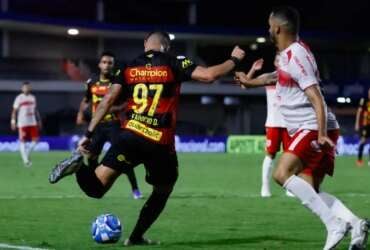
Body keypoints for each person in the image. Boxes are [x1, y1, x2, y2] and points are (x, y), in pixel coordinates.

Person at [49, 31, 245, 245]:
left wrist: (87, 134)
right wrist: (234, 59)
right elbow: (209, 76)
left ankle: (79, 168)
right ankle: (135, 237)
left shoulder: (128, 66)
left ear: (145, 44)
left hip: (130, 136)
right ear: (167, 46)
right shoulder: (174, 61)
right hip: (160, 144)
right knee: (162, 190)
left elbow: (106, 101)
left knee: (96, 189)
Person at [235, 7, 369, 250]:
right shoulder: (290, 54)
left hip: (312, 126)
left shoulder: (296, 55)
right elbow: (275, 77)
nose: (268, 30)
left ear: (278, 28)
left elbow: (316, 96)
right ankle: (355, 223)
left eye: (269, 25)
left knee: (281, 174)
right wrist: (250, 81)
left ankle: (334, 225)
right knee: (309, 190)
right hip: (311, 127)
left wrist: (320, 134)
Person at [71, 51, 142, 199]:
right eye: (104, 62)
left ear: (113, 65)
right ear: (99, 64)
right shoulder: (92, 82)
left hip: (113, 125)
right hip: (97, 127)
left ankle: (135, 189)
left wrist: (112, 108)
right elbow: (86, 99)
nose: (107, 65)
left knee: (122, 157)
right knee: (90, 157)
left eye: (110, 63)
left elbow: (126, 102)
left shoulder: (117, 82)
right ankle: (94, 183)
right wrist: (80, 113)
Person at [243, 58, 291, 197]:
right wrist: (253, 69)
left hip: (290, 123)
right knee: (270, 155)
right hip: (273, 123)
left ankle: (290, 188)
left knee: (291, 156)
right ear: (275, 62)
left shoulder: (293, 77)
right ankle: (265, 188)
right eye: (278, 59)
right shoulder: (267, 77)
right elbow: (245, 85)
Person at [11, 82, 42, 167]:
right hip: (22, 123)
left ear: (30, 88)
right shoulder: (19, 98)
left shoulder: (33, 98)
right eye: (25, 87)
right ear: (22, 89)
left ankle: (27, 153)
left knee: (35, 141)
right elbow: (14, 111)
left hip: (32, 122)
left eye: (28, 87)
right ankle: (26, 161)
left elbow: (35, 110)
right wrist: (13, 121)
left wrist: (39, 120)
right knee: (23, 141)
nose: (26, 89)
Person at [354, 88, 370, 166]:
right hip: (365, 125)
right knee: (363, 141)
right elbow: (359, 112)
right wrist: (357, 123)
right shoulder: (364, 100)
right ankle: (359, 160)